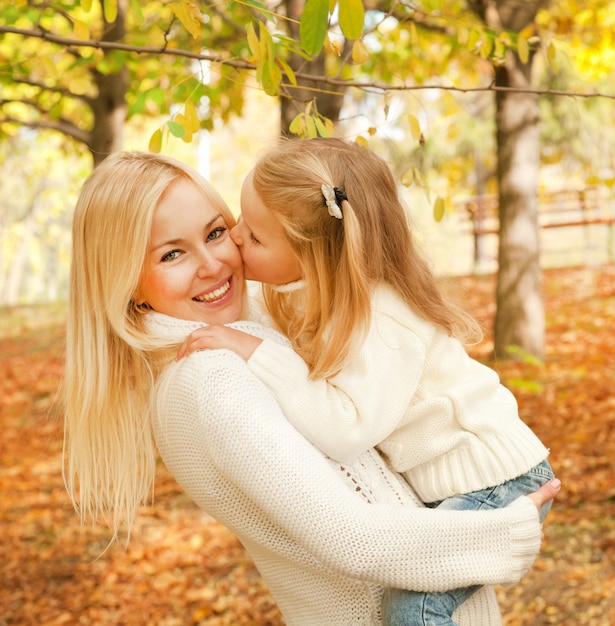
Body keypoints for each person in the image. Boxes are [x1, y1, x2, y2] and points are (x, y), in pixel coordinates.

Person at [62, 150, 560, 626]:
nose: (215, 263)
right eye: (172, 254)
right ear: (124, 280)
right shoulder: (210, 377)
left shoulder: (254, 330)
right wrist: (505, 533)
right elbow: (351, 538)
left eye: (216, 232)